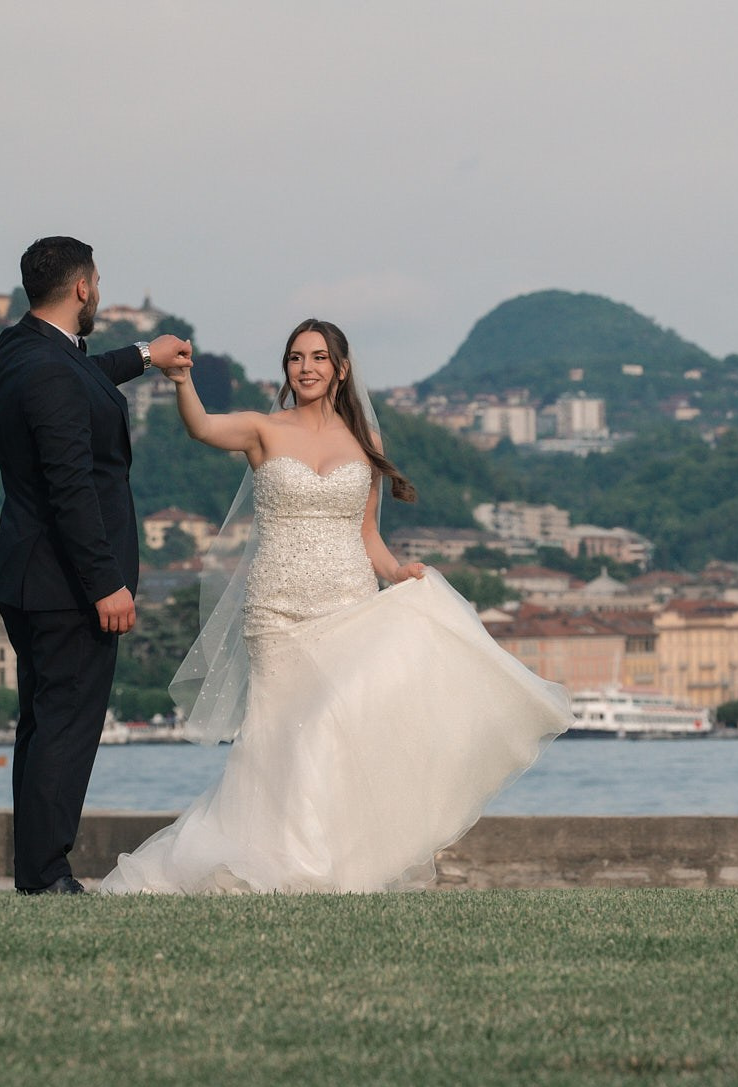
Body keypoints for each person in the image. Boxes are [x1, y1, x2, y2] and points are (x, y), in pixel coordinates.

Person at [97, 318, 571, 894]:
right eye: (296, 358)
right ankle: (274, 860)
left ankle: (329, 864)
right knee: (277, 740)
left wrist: (399, 572)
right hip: (276, 609)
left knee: (331, 734)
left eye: (319, 357)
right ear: (287, 369)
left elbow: (366, 533)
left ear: (340, 369)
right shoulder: (263, 430)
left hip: (349, 604)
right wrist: (180, 380)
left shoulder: (366, 444)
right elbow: (201, 428)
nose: (307, 368)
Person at [0, 236, 193, 895]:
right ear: (82, 288)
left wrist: (145, 356)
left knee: (44, 722)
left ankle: (35, 869)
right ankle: (47, 874)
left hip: (30, 575)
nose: (98, 291)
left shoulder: (21, 350)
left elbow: (84, 378)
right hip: (68, 583)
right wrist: (107, 582)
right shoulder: (50, 370)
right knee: (67, 725)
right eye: (97, 281)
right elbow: (70, 484)